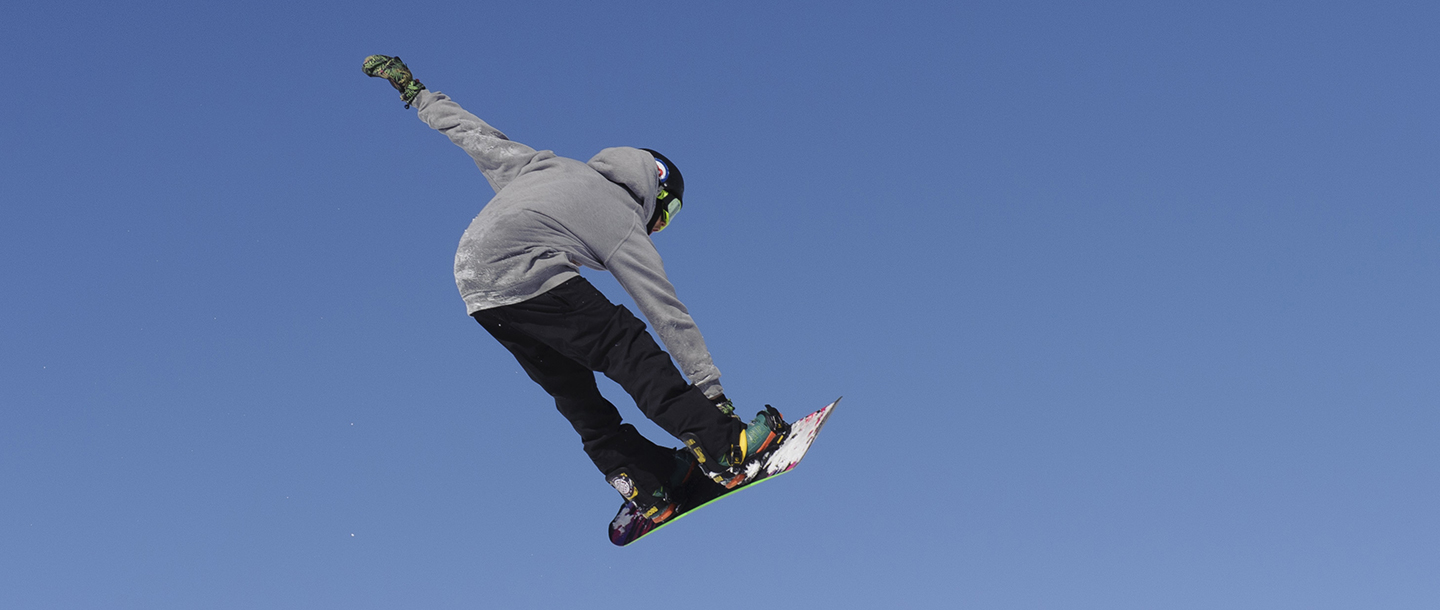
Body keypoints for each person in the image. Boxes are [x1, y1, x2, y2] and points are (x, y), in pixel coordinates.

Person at [362, 55, 788, 523]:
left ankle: (646, 483)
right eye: (664, 217)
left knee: (573, 391)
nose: (657, 228)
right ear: (654, 191)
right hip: (524, 272)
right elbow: (666, 309)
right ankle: (726, 448)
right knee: (629, 349)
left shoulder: (546, 167)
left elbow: (476, 135)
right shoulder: (619, 212)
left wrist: (415, 93)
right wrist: (712, 395)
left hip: (476, 286)